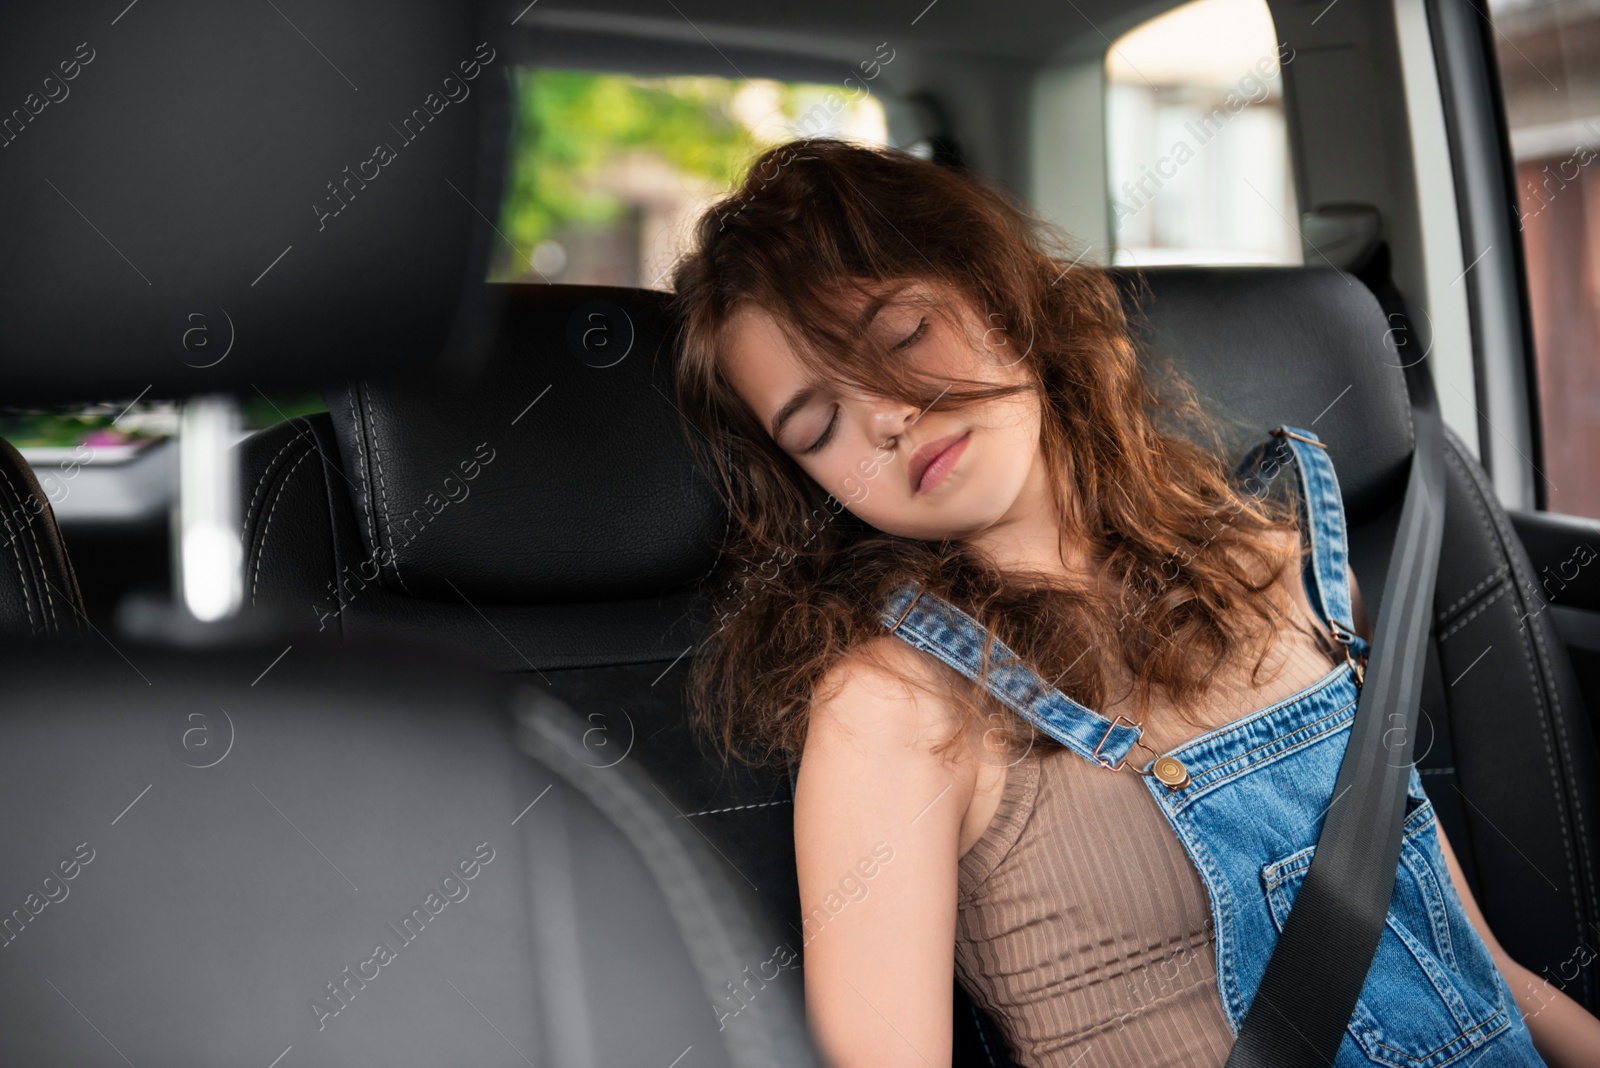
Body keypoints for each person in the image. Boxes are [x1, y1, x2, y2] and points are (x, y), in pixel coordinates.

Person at [666, 136, 1600, 1068]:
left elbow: (1475, 968)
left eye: (904, 336)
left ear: (996, 292)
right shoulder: (894, 710)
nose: (884, 415)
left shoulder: (1282, 566)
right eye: (820, 424)